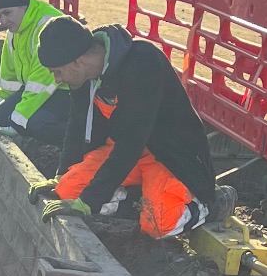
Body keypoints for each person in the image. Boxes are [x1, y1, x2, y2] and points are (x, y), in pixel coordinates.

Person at [35, 14, 222, 240]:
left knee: (157, 223)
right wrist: (62, 173)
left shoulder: (143, 63)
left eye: (57, 71)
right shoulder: (82, 77)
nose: (57, 79)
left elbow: (131, 143)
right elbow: (77, 123)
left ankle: (214, 204)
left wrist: (90, 202)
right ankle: (137, 197)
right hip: (124, 152)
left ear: (77, 61)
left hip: (166, 155)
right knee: (65, 192)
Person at [0, 0, 71, 145]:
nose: (3, 21)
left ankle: (82, 141)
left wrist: (18, 122)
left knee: (34, 123)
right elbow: (9, 79)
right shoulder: (15, 31)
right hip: (43, 89)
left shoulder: (46, 25)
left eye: (7, 13)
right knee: (1, 115)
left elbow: (43, 81)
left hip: (68, 89)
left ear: (23, 5)